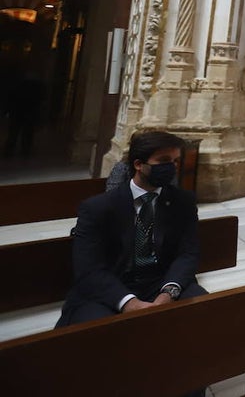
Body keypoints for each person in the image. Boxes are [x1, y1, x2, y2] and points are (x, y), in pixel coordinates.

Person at [57, 130, 205, 327]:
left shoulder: (182, 201)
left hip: (160, 283)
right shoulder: (97, 208)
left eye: (176, 161)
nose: (172, 167)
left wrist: (168, 293)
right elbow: (89, 269)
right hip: (110, 288)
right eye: (164, 160)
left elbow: (188, 254)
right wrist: (129, 302)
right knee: (97, 329)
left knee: (205, 314)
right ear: (138, 164)